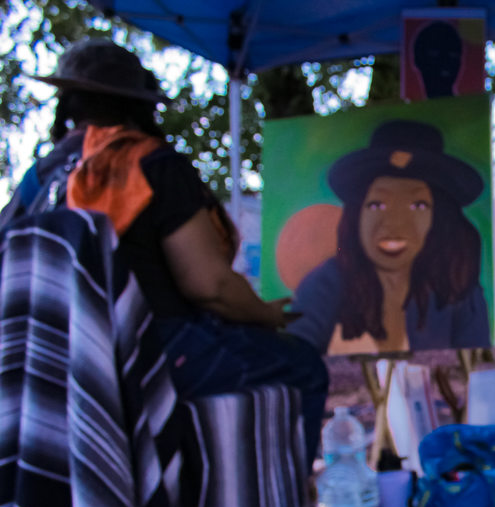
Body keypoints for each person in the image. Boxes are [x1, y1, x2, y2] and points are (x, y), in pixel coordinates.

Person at [1, 39, 328, 467]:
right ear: (139, 106)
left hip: (49, 363)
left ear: (68, 105)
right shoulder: (150, 164)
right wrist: (265, 315)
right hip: (147, 352)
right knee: (302, 366)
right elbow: (208, 286)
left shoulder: (38, 180)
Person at [286, 119, 491, 354]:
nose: (394, 223)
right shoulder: (324, 285)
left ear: (439, 219)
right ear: (357, 215)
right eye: (376, 205)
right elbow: (294, 363)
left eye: (418, 206)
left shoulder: (458, 290)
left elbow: (476, 369)